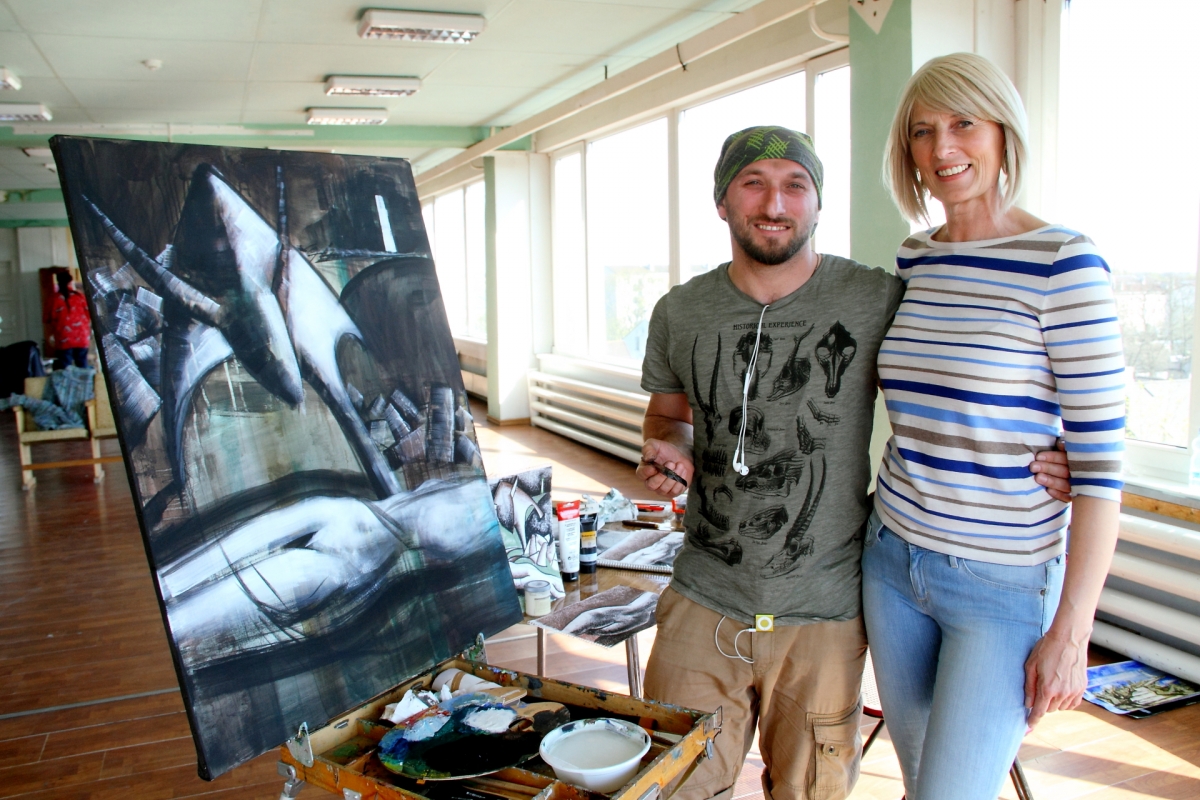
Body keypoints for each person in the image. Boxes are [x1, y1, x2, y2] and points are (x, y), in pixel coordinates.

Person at [635, 125, 1074, 800]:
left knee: (813, 791)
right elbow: (668, 417)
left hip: (827, 612)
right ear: (722, 201)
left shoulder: (877, 297)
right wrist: (668, 447)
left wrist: (1060, 445)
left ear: (818, 203)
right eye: (753, 184)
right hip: (703, 600)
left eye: (795, 185)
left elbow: (972, 355)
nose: (774, 204)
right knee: (671, 787)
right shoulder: (679, 311)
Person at [863, 52, 1124, 800]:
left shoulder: (1064, 262)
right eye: (922, 131)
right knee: (922, 783)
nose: (942, 147)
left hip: (1001, 584)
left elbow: (1102, 470)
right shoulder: (915, 259)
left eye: (963, 123)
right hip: (891, 561)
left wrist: (1071, 634)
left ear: (1004, 132)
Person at [48, 272, 91, 368]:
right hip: (82, 336)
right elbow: (88, 315)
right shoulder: (80, 297)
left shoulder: (54, 299)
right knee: (82, 366)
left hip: (64, 338)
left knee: (66, 367)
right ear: (70, 282)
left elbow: (48, 318)